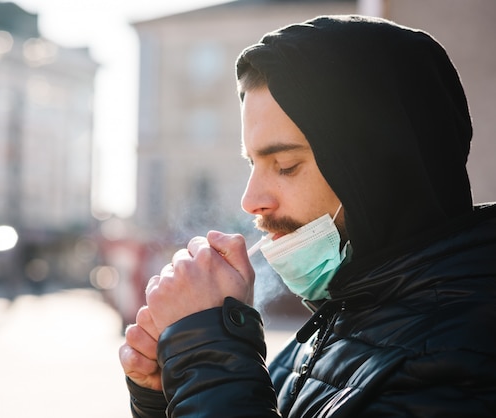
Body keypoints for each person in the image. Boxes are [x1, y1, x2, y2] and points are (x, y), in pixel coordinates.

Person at [119, 14, 496, 417]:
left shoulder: (464, 354)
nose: (250, 200)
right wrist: (167, 393)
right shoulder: (334, 330)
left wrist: (207, 354)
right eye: (252, 164)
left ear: (378, 171)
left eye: (284, 165)